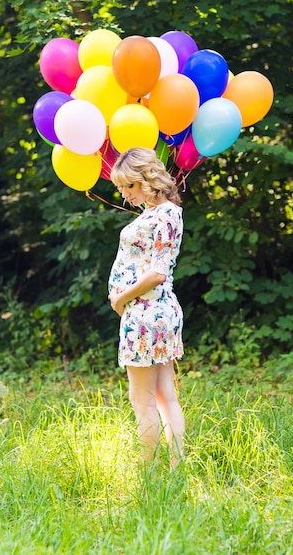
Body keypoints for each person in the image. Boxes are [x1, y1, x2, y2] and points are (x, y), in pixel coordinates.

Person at [108, 147, 185, 467]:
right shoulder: (157, 213)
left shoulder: (165, 213)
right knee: (164, 394)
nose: (125, 195)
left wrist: (121, 297)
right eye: (121, 188)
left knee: (141, 398)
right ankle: (176, 468)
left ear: (148, 178)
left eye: (130, 186)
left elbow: (157, 272)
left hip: (146, 315)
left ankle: (148, 472)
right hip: (154, 313)